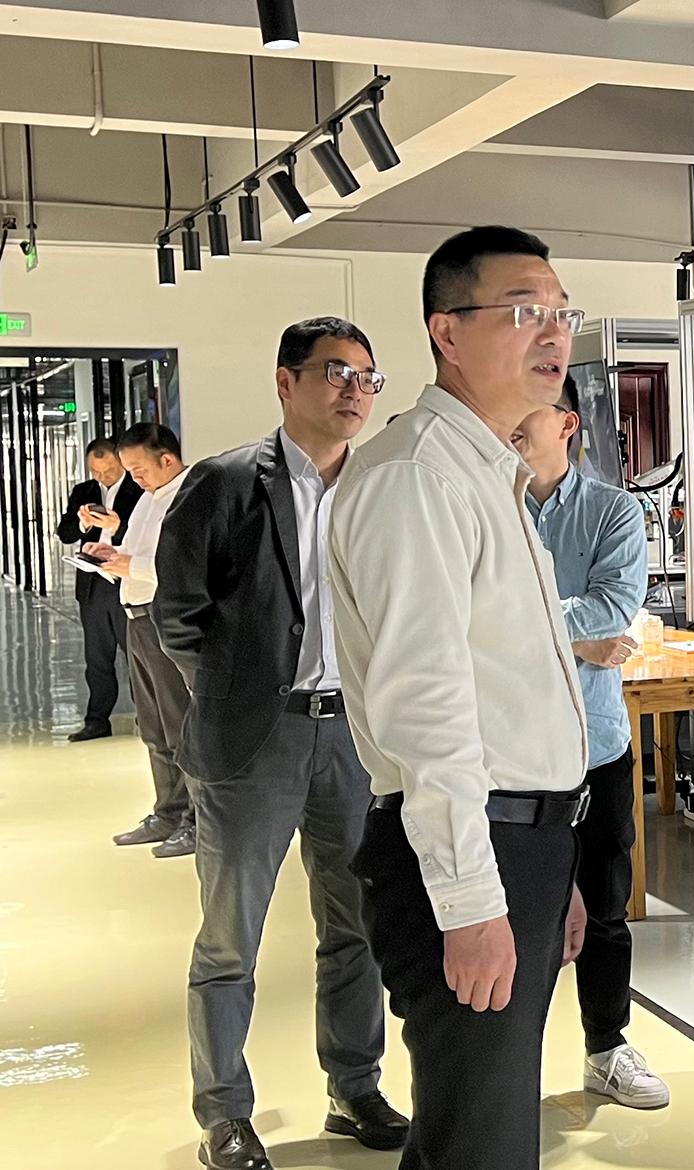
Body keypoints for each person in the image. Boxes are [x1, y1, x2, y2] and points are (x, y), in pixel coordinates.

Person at [330, 225, 592, 1170]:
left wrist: (551, 864)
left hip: (516, 842)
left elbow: (509, 697)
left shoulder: (487, 471)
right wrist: (473, 900)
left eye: (560, 312)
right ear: (446, 330)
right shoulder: (417, 475)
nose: (553, 333)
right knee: (478, 1144)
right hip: (468, 848)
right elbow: (427, 708)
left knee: (485, 1132)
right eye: (524, 311)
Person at [153, 318, 407, 1170]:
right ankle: (224, 1112)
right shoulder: (226, 482)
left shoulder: (378, 488)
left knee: (355, 926)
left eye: (367, 377)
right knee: (231, 938)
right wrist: (238, 695)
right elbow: (177, 614)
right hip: (253, 744)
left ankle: (355, 1086)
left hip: (353, 740)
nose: (354, 391)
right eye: (336, 372)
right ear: (285, 381)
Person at [511, 373, 668, 1110]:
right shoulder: (485, 508)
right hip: (508, 752)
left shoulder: (612, 511)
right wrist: (575, 640)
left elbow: (613, 608)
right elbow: (464, 616)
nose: (511, 423)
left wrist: (521, 622)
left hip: (594, 742)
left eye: (527, 410)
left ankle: (607, 1045)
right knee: (518, 913)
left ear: (567, 423)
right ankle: (509, 1067)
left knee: (605, 906)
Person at [87, 423, 196, 858]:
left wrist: (130, 567)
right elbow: (137, 553)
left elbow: (185, 566)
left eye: (138, 470)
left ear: (166, 459)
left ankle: (194, 821)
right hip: (138, 618)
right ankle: (167, 813)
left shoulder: (190, 496)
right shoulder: (149, 498)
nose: (134, 479)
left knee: (179, 724)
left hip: (166, 618)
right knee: (153, 726)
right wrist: (110, 555)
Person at [56, 437, 142, 741]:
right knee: (96, 658)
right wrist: (83, 525)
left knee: (136, 656)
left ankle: (146, 717)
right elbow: (65, 533)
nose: (102, 478)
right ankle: (97, 720)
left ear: (120, 462)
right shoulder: (84, 492)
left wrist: (116, 527)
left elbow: (146, 536)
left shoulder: (139, 489)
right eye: (96, 472)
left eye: (108, 471)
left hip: (126, 581)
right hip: (93, 585)